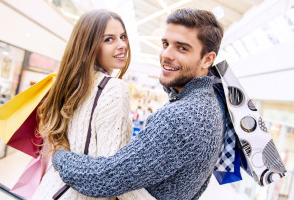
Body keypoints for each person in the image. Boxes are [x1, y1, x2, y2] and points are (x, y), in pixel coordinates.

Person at [52, 8, 226, 200]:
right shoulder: (211, 103)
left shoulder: (182, 117)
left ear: (207, 59)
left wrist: (59, 155)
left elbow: (102, 179)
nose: (166, 55)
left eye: (182, 48)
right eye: (165, 44)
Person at [31, 9, 155, 200]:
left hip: (48, 191)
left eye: (122, 36)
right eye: (109, 39)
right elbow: (113, 177)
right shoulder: (113, 89)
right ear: (89, 46)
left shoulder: (68, 86)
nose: (122, 45)